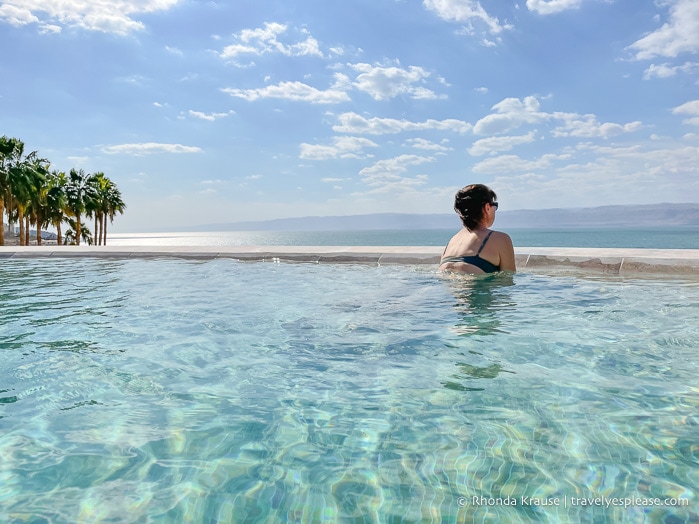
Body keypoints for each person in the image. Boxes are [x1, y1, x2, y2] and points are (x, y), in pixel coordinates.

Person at [440, 184, 516, 274]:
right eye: (495, 206)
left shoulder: (452, 241)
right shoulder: (500, 238)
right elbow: (508, 280)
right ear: (487, 207)